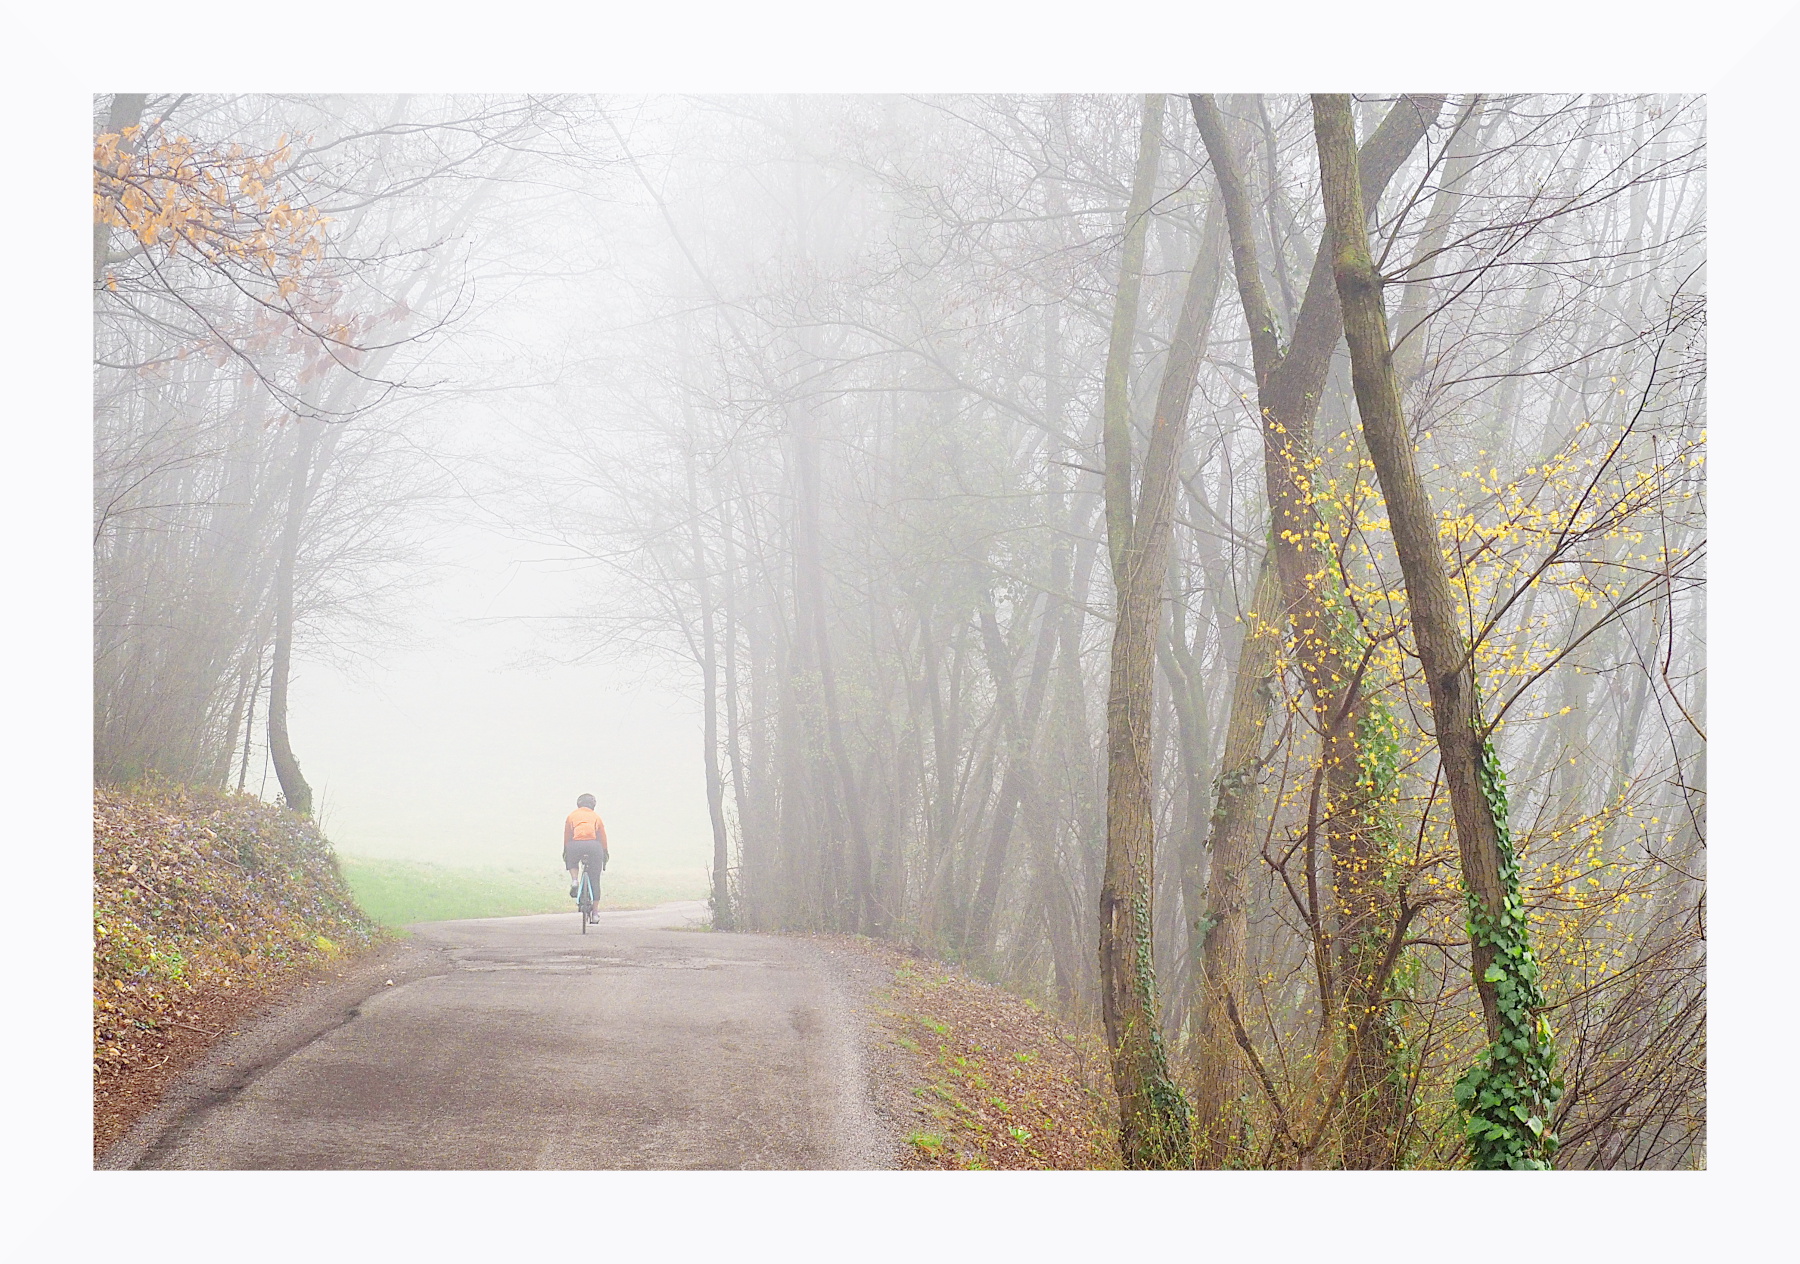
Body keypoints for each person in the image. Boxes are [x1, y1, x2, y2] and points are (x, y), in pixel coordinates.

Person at [564, 793, 609, 921]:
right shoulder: (596, 817)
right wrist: (604, 853)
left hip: (575, 845)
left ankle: (574, 880)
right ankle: (595, 914)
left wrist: (567, 851)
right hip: (593, 846)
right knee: (595, 879)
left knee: (572, 861)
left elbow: (567, 836)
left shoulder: (571, 816)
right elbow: (603, 838)